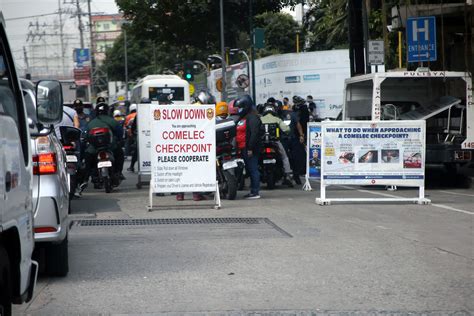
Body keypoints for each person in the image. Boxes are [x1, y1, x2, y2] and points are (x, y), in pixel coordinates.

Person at [176, 90, 215, 201]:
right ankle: (196, 195)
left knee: (183, 170)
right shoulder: (201, 109)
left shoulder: (189, 107)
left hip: (183, 143)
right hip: (195, 144)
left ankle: (180, 195)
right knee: (195, 169)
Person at [84, 99, 125, 185]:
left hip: (94, 149)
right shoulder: (112, 121)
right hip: (110, 147)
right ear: (107, 111)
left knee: (87, 159)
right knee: (120, 153)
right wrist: (120, 140)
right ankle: (118, 172)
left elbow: (85, 136)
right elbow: (120, 133)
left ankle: (88, 178)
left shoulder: (91, 123)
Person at [235, 95, 262, 199]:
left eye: (241, 107)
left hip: (250, 149)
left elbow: (254, 134)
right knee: (249, 169)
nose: (239, 109)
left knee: (253, 169)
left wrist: (250, 148)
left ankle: (255, 192)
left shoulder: (253, 117)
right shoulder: (244, 117)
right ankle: (253, 191)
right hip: (244, 148)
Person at [260, 102, 293, 186]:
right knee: (284, 157)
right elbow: (286, 129)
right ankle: (288, 175)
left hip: (261, 143)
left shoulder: (260, 119)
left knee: (255, 158)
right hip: (275, 142)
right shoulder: (277, 119)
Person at [288, 96, 307, 184]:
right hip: (295, 136)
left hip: (295, 136)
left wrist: (301, 135)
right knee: (297, 156)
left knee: (296, 156)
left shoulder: (300, 110)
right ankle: (295, 175)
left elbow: (299, 124)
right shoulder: (295, 111)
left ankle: (295, 174)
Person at [126, 104, 138, 172]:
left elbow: (132, 126)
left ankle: (132, 166)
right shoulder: (152, 111)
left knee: (136, 150)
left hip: (139, 135)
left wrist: (133, 133)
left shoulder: (129, 116)